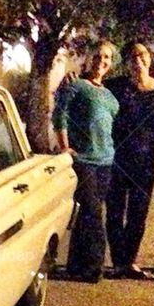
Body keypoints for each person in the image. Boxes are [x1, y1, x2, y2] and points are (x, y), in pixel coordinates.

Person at [52, 40, 119, 283]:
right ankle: (94, 267)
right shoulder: (76, 85)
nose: (102, 61)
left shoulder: (110, 95)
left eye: (107, 58)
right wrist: (64, 146)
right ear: (88, 58)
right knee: (93, 211)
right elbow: (60, 114)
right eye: (98, 56)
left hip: (106, 161)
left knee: (87, 214)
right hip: (84, 160)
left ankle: (75, 264)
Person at [104, 41, 154, 279]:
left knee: (138, 214)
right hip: (116, 161)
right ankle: (119, 262)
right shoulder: (115, 87)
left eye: (141, 54)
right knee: (114, 212)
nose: (137, 59)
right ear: (127, 62)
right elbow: (89, 85)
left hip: (146, 162)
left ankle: (129, 260)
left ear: (149, 57)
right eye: (131, 56)